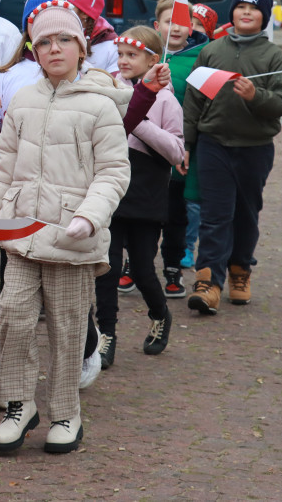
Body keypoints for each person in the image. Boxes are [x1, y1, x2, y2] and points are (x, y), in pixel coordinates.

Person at [0, 0, 130, 455]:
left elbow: (113, 171)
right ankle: (19, 405)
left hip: (71, 237)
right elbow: (4, 168)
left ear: (82, 48)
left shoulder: (101, 107)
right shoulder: (22, 99)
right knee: (13, 318)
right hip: (22, 234)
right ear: (33, 50)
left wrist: (90, 215)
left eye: (64, 39)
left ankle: (66, 413)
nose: (54, 48)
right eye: (44, 41)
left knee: (67, 330)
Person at [184, 0, 282, 315]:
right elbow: (193, 100)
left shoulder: (273, 56)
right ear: (232, 12)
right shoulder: (211, 51)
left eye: (254, 9)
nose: (246, 13)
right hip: (213, 143)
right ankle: (208, 283)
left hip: (255, 148)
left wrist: (255, 96)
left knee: (246, 214)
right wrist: (188, 143)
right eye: (241, 7)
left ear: (264, 16)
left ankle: (240, 271)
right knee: (215, 216)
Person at [94, 28, 184, 367]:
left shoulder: (166, 101)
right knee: (108, 266)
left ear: (153, 59)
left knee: (144, 269)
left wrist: (140, 123)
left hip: (146, 194)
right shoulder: (109, 90)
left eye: (131, 55)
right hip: (112, 192)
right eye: (119, 54)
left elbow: (176, 151)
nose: (123, 61)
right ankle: (107, 334)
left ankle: (160, 314)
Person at [138, 0, 210, 299]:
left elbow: (199, 106)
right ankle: (134, 263)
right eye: (170, 22)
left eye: (184, 23)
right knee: (141, 209)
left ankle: (172, 268)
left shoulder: (200, 58)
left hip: (179, 148)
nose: (177, 28)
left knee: (176, 214)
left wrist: (189, 144)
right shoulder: (146, 57)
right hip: (144, 150)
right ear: (158, 26)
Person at [181, 3, 219, 269]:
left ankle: (188, 246)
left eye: (197, 25)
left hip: (199, 133)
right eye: (188, 23)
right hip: (177, 131)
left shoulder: (209, 55)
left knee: (194, 200)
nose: (191, 29)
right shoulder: (171, 53)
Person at [61, 0, 118, 75]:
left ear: (84, 14)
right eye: (59, 1)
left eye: (66, 4)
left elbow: (117, 85)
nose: (59, 7)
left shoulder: (110, 47)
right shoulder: (52, 35)